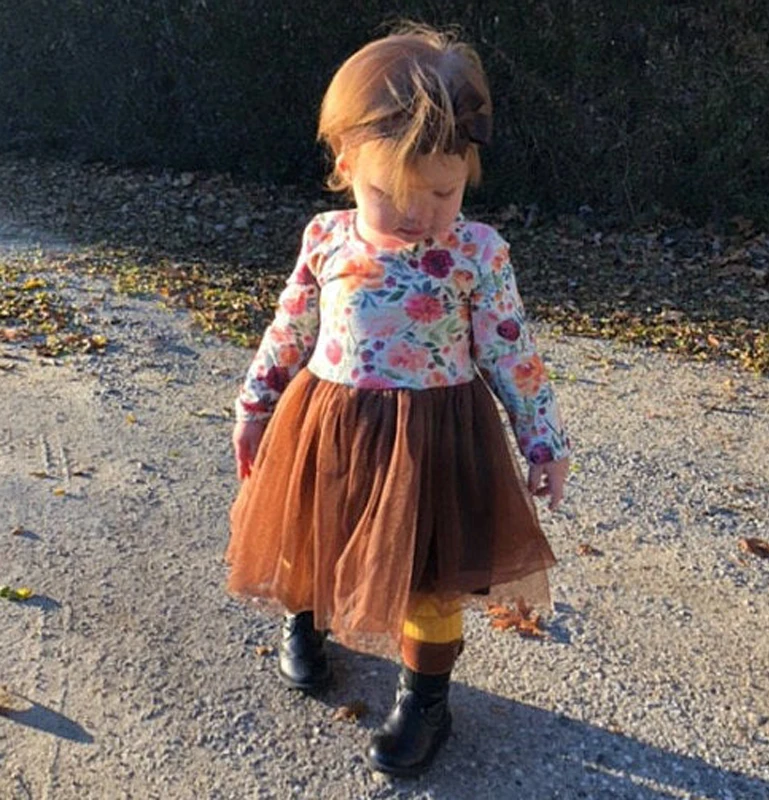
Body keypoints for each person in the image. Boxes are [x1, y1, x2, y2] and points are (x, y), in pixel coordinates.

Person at [226, 23, 571, 777]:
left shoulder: (478, 253)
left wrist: (543, 442)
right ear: (347, 164)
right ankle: (306, 619)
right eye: (392, 196)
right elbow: (290, 328)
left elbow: (511, 352)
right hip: (329, 424)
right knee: (315, 534)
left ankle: (425, 700)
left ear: (467, 170)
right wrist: (255, 406)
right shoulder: (327, 239)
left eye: (443, 192)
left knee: (428, 573)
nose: (420, 215)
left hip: (436, 441)